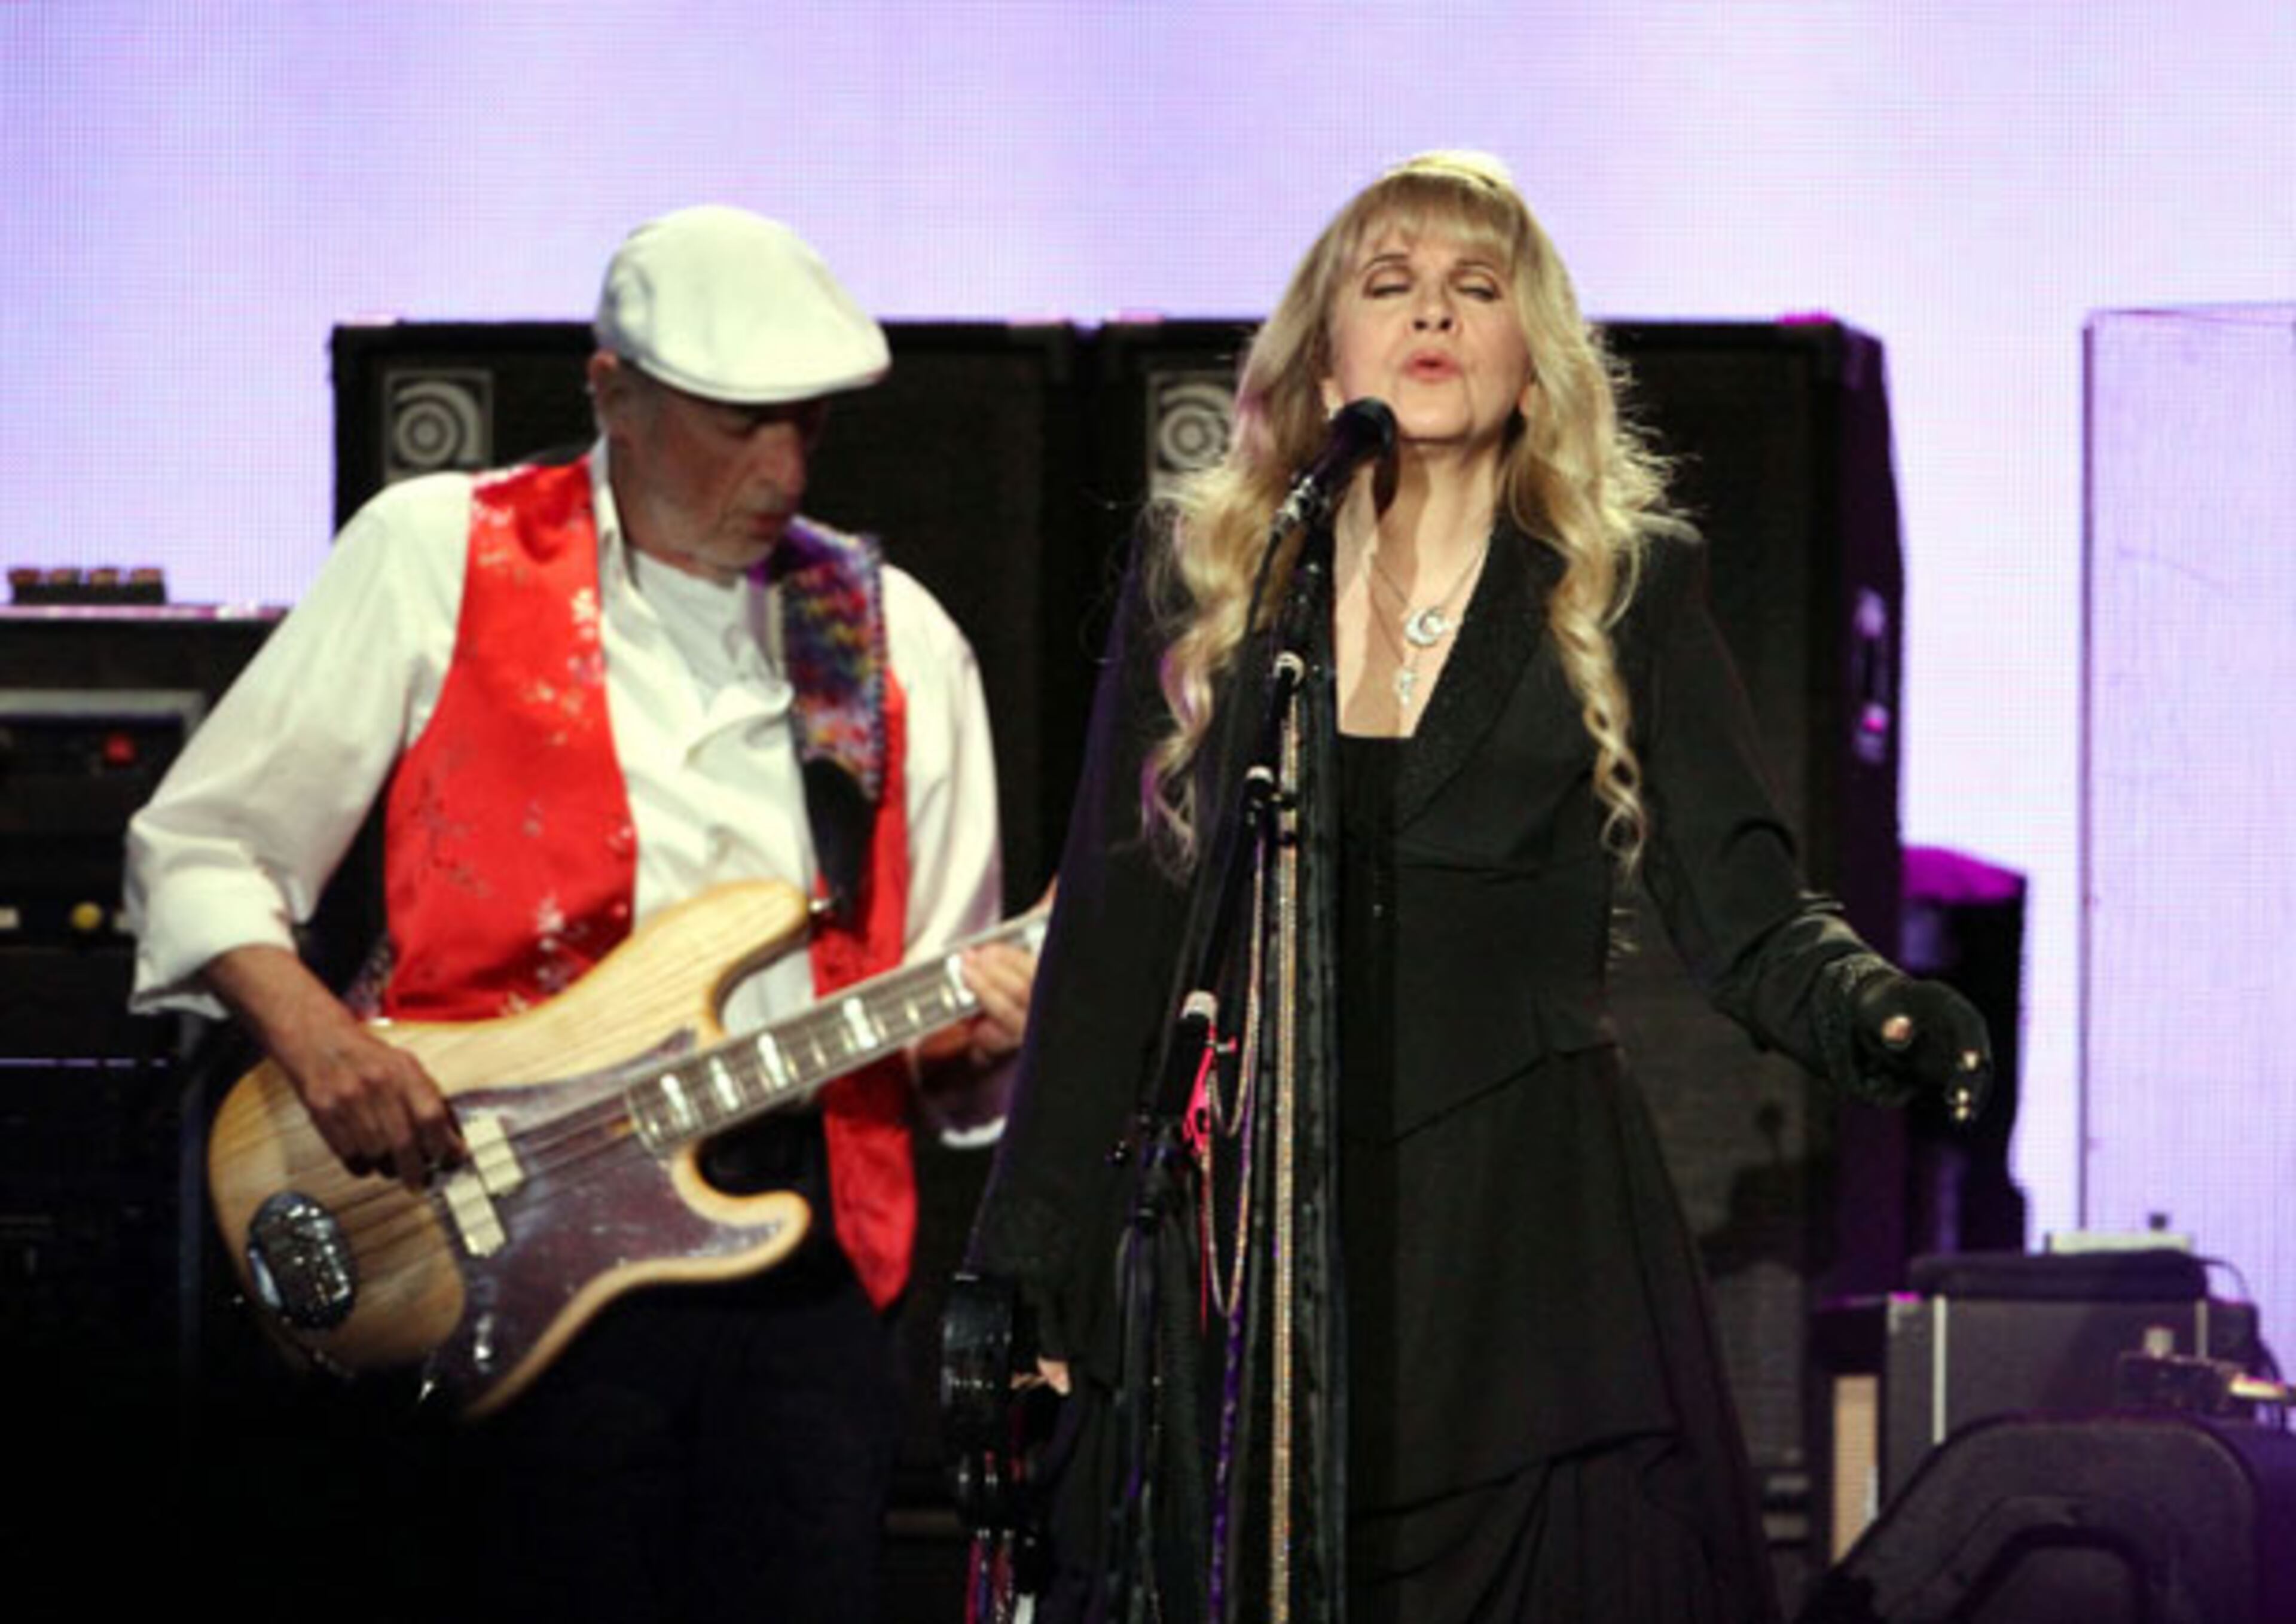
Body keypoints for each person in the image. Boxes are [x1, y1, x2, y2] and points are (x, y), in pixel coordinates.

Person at [965, 152, 1990, 1624]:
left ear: (1532, 357)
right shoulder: (1214, 581)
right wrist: (1034, 1269)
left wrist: (1879, 1013)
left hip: (1531, 1262)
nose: (1432, 315)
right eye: (1389, 287)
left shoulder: (1620, 582)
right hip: (1257, 1253)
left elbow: (1745, 908)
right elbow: (1115, 953)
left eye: (1476, 288)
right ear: (1326, 352)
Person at [126, 204, 1035, 1624]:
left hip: (795, 1269)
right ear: (610, 387)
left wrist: (993, 1030)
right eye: (736, 424)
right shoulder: (438, 552)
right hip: (491, 1221)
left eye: (803, 426)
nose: (780, 469)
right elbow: (201, 845)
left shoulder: (891, 632)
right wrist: (322, 1041)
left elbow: (949, 1037)